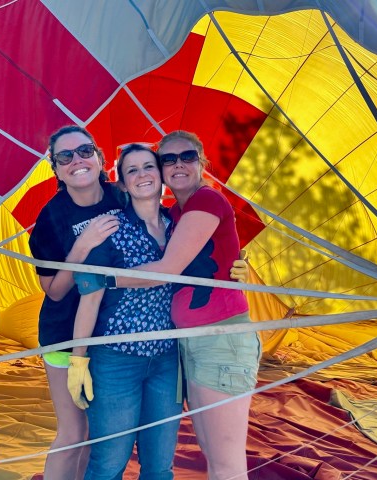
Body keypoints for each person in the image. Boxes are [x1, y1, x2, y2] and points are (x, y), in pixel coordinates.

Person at [90, 131, 259, 479]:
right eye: (168, 159)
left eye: (187, 157)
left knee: (226, 463)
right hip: (189, 344)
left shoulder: (206, 201)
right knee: (214, 457)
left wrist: (101, 278)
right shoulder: (175, 215)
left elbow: (167, 269)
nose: (178, 164)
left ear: (202, 162)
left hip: (219, 341)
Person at [67, 143, 182, 479]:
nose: (142, 175)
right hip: (116, 360)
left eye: (149, 166)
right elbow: (89, 296)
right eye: (131, 170)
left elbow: (205, 270)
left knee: (160, 466)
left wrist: (236, 267)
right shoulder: (110, 229)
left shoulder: (180, 224)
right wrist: (79, 359)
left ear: (161, 175)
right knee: (109, 463)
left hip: (167, 359)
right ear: (122, 183)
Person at [28, 125, 123, 480]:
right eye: (65, 156)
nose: (77, 161)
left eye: (85, 151)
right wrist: (82, 247)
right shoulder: (50, 219)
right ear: (55, 168)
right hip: (65, 335)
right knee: (73, 434)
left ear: (99, 157)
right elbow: (54, 290)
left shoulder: (123, 198)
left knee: (101, 436)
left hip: (113, 334)